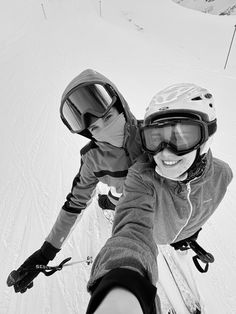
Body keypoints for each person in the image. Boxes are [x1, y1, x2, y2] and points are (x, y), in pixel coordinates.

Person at [85, 83, 233, 314]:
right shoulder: (141, 177)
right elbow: (132, 231)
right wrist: (124, 282)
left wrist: (191, 234)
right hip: (152, 232)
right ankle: (109, 202)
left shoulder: (223, 175)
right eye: (155, 138)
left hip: (178, 234)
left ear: (205, 138)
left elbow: (203, 209)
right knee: (119, 200)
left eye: (182, 137)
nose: (165, 152)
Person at [6, 68, 143, 293]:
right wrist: (46, 252)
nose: (105, 129)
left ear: (122, 108)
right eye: (95, 128)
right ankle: (112, 201)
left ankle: (111, 200)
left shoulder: (152, 136)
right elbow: (74, 204)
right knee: (121, 196)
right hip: (125, 197)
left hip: (147, 196)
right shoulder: (93, 159)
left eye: (108, 117)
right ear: (89, 134)